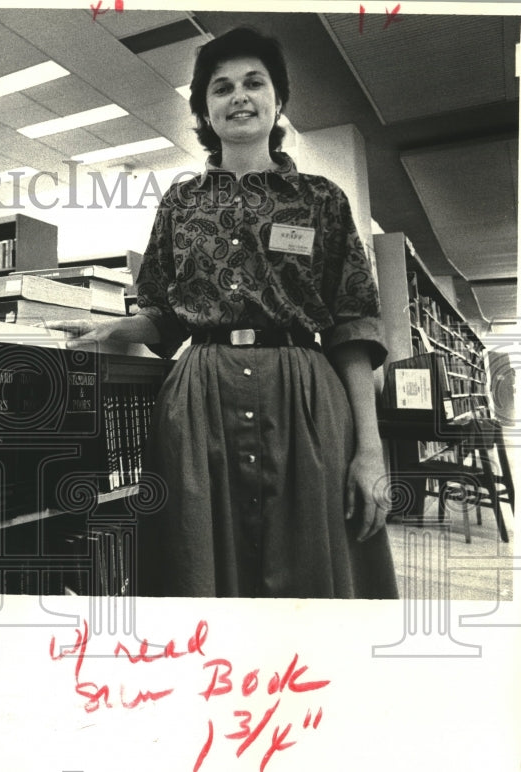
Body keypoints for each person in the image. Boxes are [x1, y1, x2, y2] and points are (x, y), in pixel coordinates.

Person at [50, 27, 398, 598]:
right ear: (205, 111)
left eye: (254, 83)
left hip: (305, 398)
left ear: (277, 100)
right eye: (221, 87)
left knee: (313, 569)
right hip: (199, 402)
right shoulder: (182, 203)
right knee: (197, 562)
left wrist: (370, 448)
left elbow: (352, 327)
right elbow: (163, 316)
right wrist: (114, 326)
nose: (239, 96)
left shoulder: (321, 199)